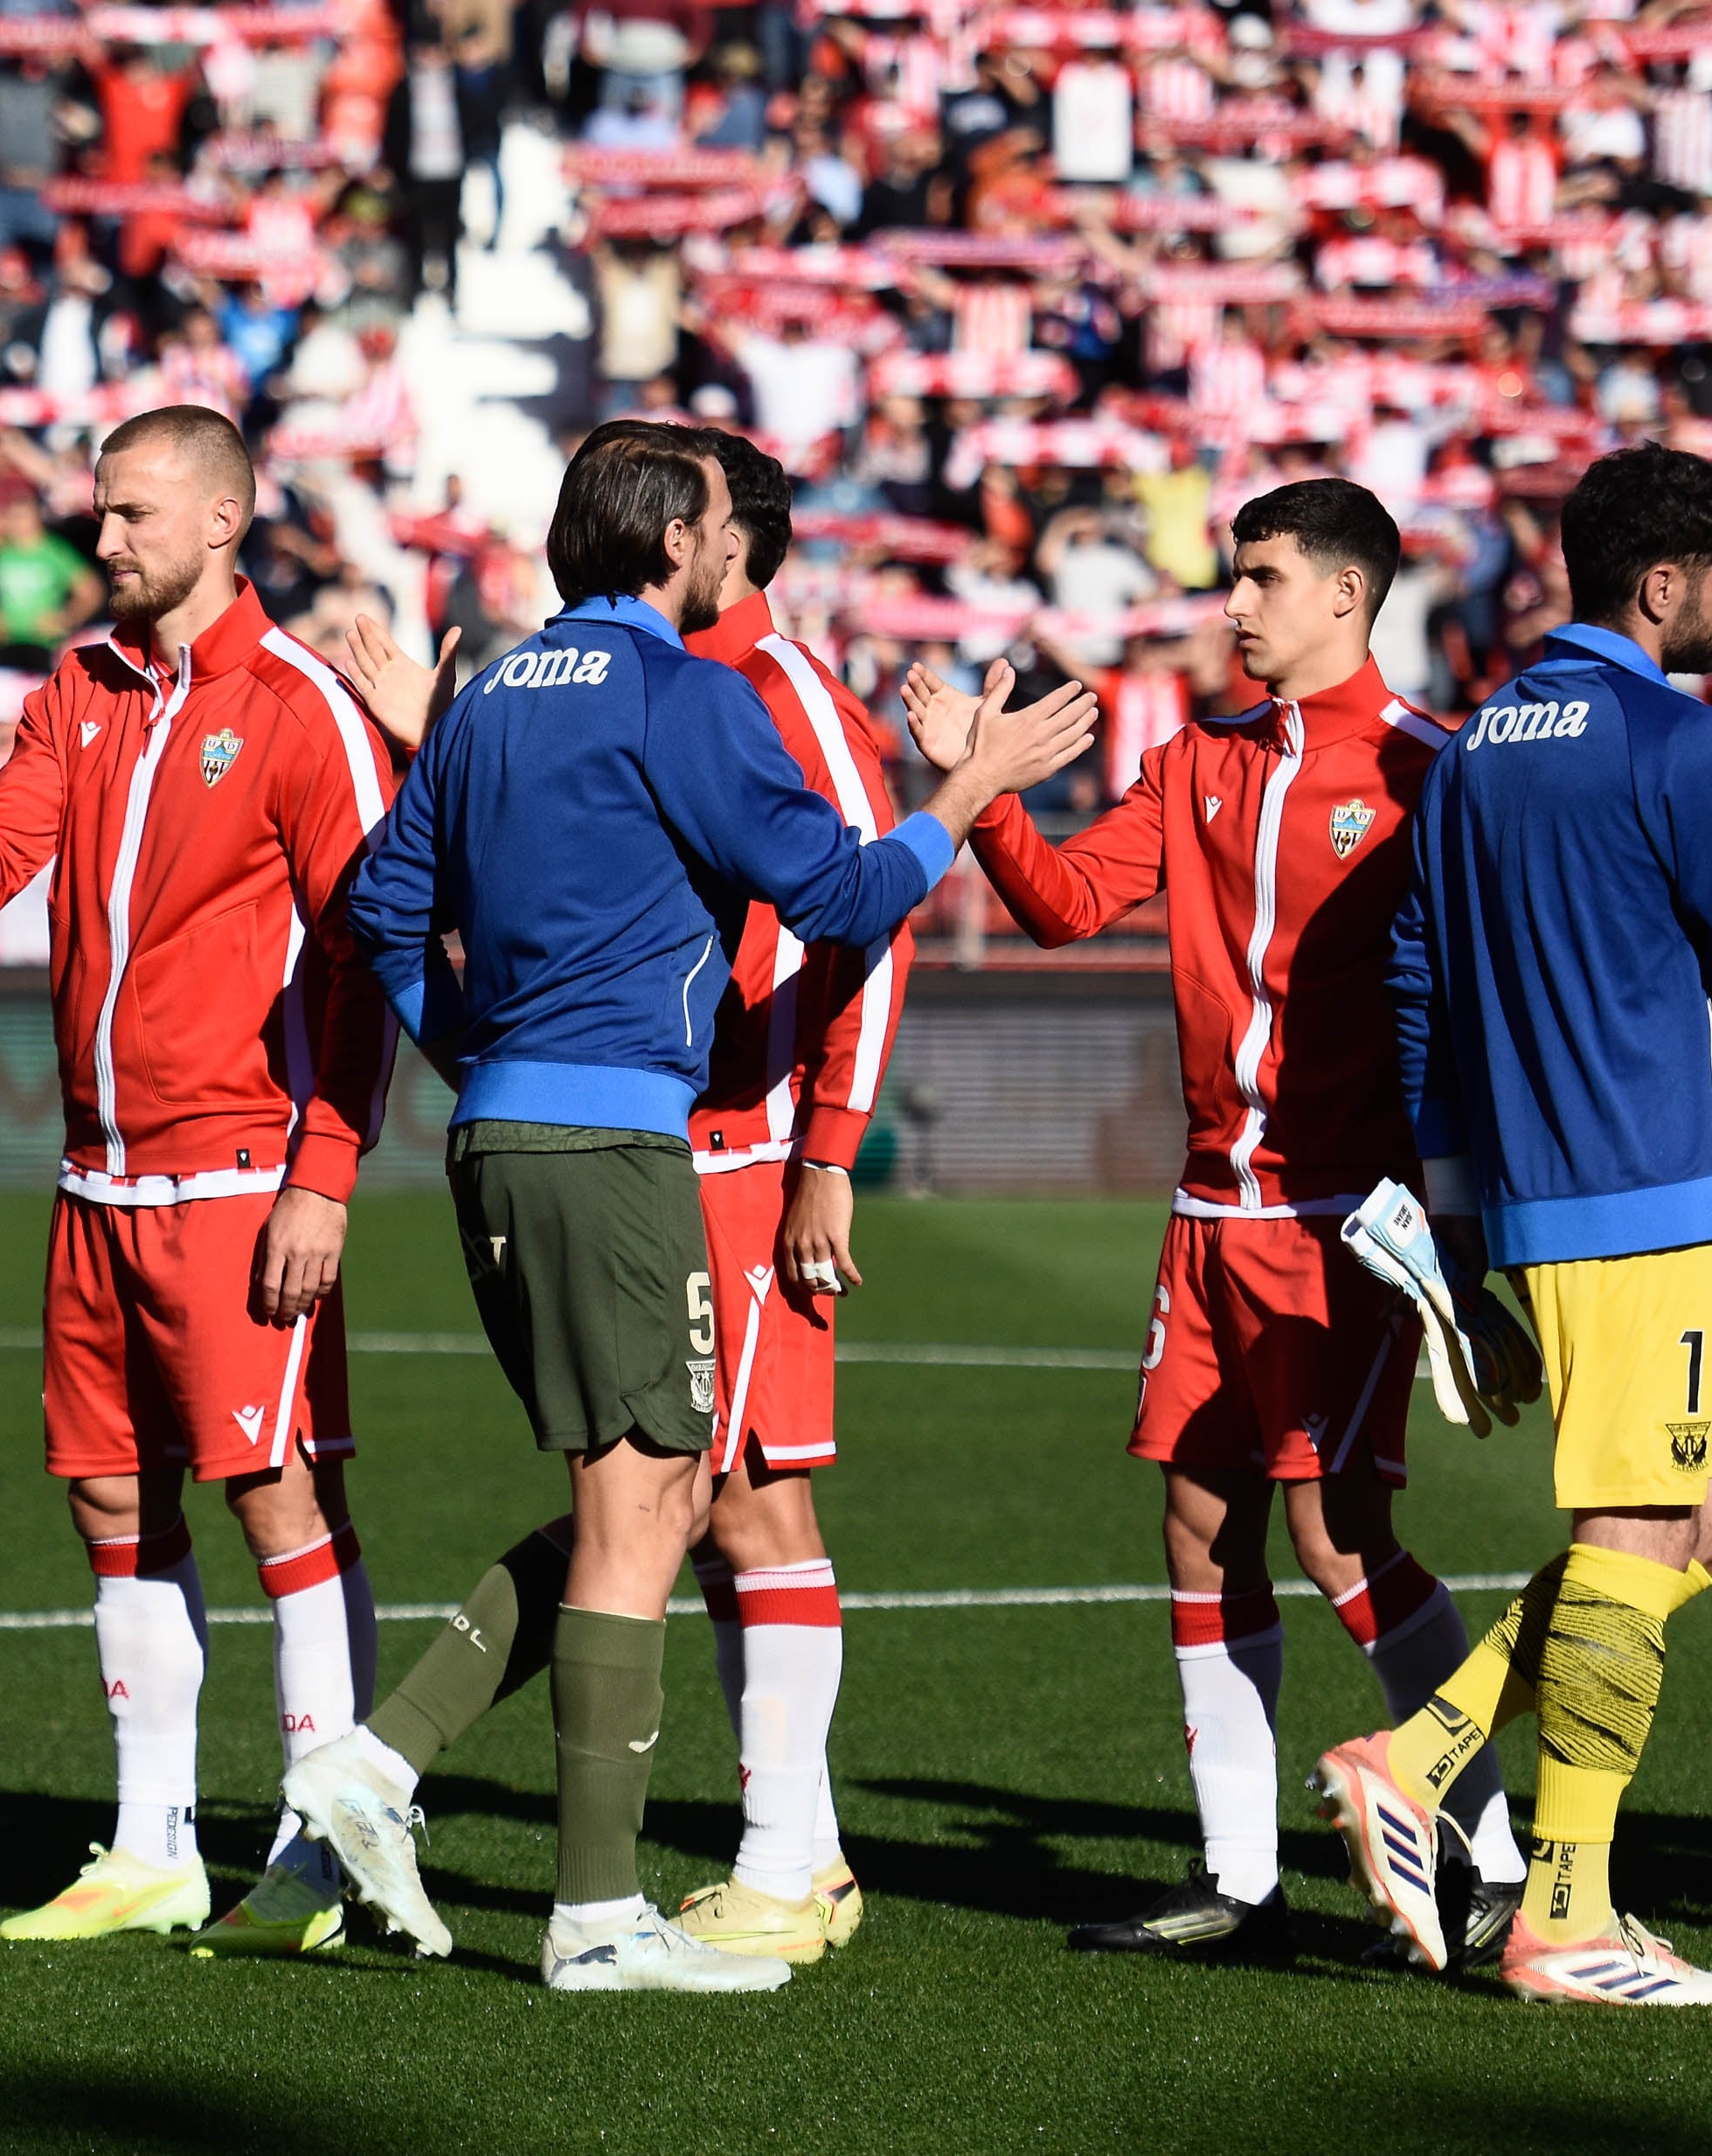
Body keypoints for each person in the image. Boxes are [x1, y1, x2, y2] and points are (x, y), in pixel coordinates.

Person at [299, 419, 1091, 1991]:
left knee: (642, 1497)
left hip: (498, 1142)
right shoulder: (693, 694)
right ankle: (593, 1912)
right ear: (674, 542)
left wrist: (472, 1056)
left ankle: (389, 1769)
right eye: (723, 516)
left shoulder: (492, 702)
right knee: (654, 1498)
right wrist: (975, 792)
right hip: (627, 1152)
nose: (739, 537)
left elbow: (382, 910)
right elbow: (850, 900)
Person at [899, 477, 1525, 1968]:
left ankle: (1491, 1856)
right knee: (1198, 1529)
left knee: (1338, 1532)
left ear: (1347, 597)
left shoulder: (1436, 769)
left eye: (1259, 578)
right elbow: (1061, 905)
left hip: (1347, 1221)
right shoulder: (1193, 761)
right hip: (1203, 1215)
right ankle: (1241, 1884)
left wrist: (1473, 1231)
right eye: (1231, 578)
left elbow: (1493, 1004)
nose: (1231, 604)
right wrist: (980, 794)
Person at [0, 405, 400, 1958]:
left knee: (279, 1496)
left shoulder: (301, 706)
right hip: (97, 1180)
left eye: (127, 514)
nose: (100, 539)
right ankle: (152, 1848)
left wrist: (324, 1174)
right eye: (96, 514)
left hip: (243, 1173)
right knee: (114, 1504)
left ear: (218, 522)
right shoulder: (77, 687)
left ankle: (323, 1844)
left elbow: (368, 953)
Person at [1318, 442, 1712, 2008]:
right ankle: (1564, 1913)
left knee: (1700, 1522)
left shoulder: (1479, 743)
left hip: (1534, 1198)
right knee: (1650, 1531)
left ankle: (1421, 1751)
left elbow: (1419, 984)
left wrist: (1455, 1229)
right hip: (1649, 1189)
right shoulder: (1681, 740)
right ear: (1663, 584)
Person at [669, 429, 903, 1965]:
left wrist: (828, 1154)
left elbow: (869, 924)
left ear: (729, 544)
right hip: (657, 1152)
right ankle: (798, 1852)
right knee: (692, 1515)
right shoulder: (668, 688)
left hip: (750, 1158)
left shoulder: (788, 693)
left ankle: (789, 1863)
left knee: (751, 1501)